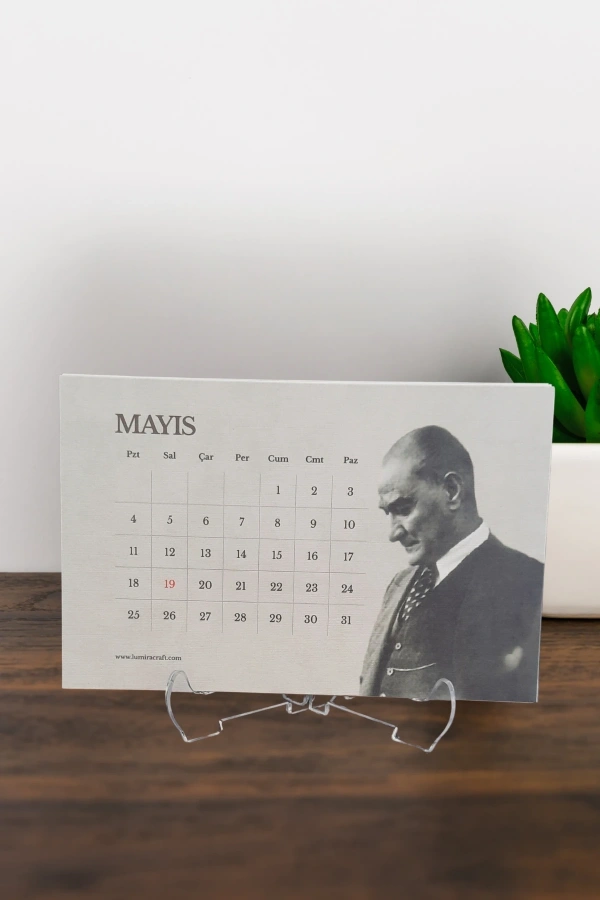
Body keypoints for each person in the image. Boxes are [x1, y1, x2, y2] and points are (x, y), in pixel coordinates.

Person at [360, 425, 544, 702]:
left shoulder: (528, 582)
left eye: (403, 509)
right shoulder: (399, 584)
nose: (393, 533)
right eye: (388, 513)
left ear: (452, 491)